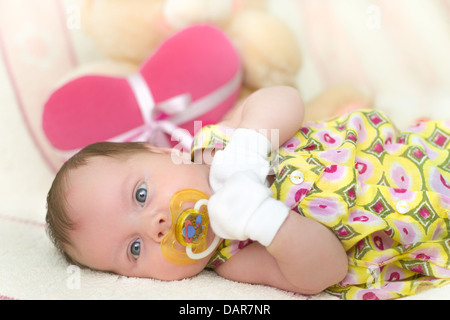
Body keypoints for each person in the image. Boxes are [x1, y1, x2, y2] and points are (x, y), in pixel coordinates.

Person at [46, 86, 450, 300]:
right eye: (134, 249)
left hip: (407, 157)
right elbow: (326, 271)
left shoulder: (215, 144)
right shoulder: (232, 258)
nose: (156, 225)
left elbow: (285, 98)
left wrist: (249, 144)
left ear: (162, 151)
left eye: (140, 195)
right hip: (420, 221)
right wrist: (264, 220)